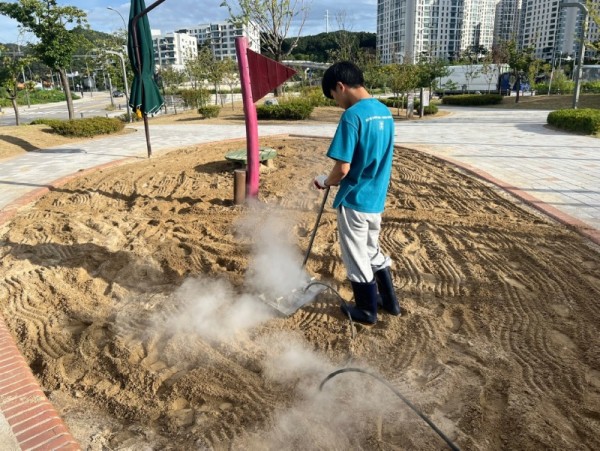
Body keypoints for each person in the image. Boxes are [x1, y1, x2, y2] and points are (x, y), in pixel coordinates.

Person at [313, 61, 401, 325]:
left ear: (340, 86)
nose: (337, 103)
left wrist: (325, 182)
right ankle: (390, 302)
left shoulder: (352, 116)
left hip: (354, 199)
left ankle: (366, 310)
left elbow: (342, 168)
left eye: (334, 97)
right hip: (375, 200)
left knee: (356, 256)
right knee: (372, 249)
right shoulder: (384, 111)